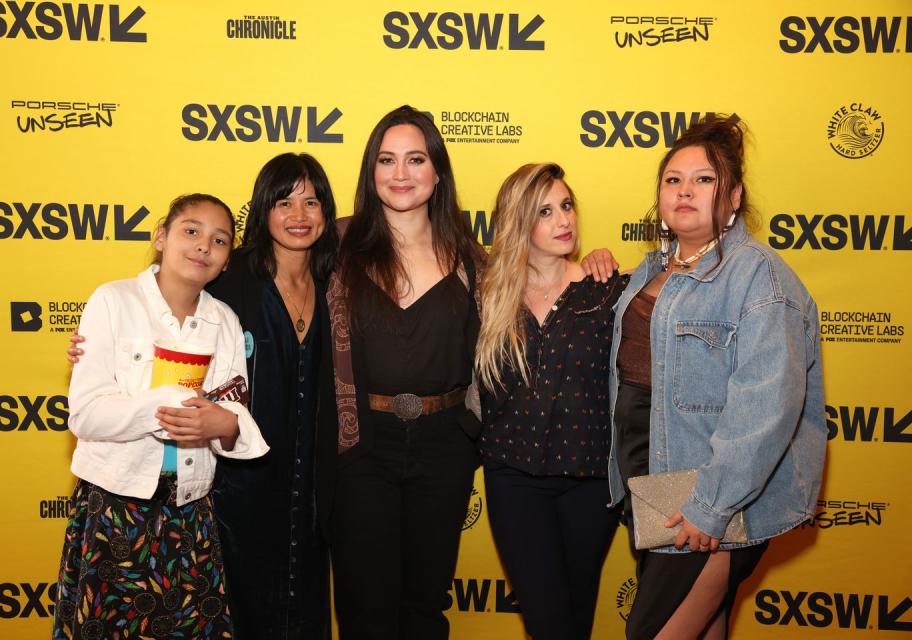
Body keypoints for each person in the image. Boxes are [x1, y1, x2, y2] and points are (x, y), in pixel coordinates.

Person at [607, 114, 826, 639]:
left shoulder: (759, 277)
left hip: (708, 496)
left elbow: (766, 409)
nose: (685, 191)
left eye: (704, 180)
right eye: (672, 179)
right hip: (654, 483)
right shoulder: (651, 268)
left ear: (733, 196)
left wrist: (712, 506)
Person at [53, 194, 269, 640]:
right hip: (116, 503)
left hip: (189, 509)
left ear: (228, 261)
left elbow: (234, 409)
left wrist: (225, 426)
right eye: (191, 231)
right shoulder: (113, 301)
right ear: (161, 237)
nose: (203, 246)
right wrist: (165, 403)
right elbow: (87, 415)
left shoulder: (224, 321)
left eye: (219, 239)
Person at [325, 105, 485, 639]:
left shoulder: (472, 257)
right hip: (361, 445)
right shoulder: (338, 244)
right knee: (364, 602)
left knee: (424, 603)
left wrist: (599, 262)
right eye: (386, 160)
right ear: (371, 173)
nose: (400, 174)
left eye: (415, 159)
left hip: (446, 445)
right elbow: (255, 284)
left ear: (437, 171)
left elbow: (547, 289)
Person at [475, 163, 625, 640]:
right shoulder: (489, 293)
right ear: (520, 223)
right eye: (545, 212)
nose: (564, 220)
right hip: (513, 478)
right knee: (548, 621)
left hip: (590, 482)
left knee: (576, 617)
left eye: (566, 206)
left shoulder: (608, 290)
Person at [206, 153, 339, 640]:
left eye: (311, 202)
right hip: (238, 487)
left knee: (303, 611)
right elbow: (165, 305)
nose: (299, 216)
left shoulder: (336, 283)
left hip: (313, 490)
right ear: (263, 210)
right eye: (284, 202)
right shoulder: (229, 279)